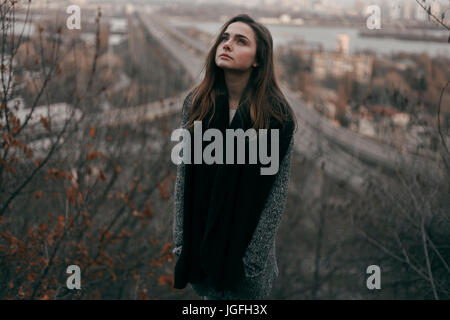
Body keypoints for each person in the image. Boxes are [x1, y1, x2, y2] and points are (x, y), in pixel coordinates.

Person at [172, 13, 297, 300]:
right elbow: (184, 177)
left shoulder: (276, 117)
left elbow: (276, 193)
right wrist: (181, 243)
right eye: (225, 38)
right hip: (200, 254)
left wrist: (252, 260)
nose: (227, 44)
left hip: (246, 269)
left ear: (257, 60)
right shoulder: (197, 104)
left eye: (241, 41)